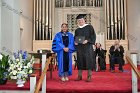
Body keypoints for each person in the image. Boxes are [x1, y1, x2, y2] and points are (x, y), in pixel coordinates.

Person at [74, 14, 96, 82]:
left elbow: (93, 36)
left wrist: (88, 40)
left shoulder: (89, 27)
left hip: (87, 47)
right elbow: (75, 38)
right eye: (79, 21)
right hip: (80, 48)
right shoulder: (77, 30)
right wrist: (75, 42)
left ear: (84, 20)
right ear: (78, 22)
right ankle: (79, 76)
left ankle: (89, 76)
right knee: (80, 61)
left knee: (88, 61)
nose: (80, 22)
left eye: (81, 20)